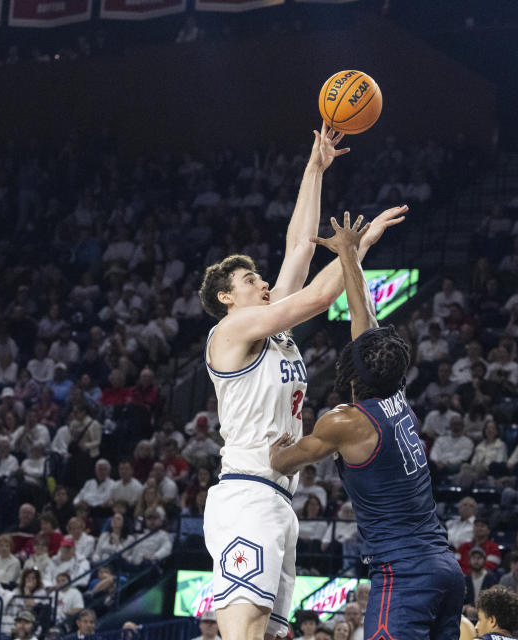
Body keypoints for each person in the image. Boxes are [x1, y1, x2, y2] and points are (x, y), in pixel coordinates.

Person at [199, 122, 404, 640]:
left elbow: (299, 248)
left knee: (272, 635)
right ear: (227, 297)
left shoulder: (271, 329)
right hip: (247, 494)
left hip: (277, 499)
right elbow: (316, 296)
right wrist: (359, 248)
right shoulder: (230, 330)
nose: (263, 282)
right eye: (251, 281)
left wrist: (314, 168)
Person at [269, 212, 462, 640]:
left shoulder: (344, 422)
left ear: (352, 376)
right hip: (445, 570)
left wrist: (278, 441)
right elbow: (365, 317)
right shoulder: (395, 394)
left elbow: (282, 461)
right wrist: (350, 255)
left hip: (405, 577)